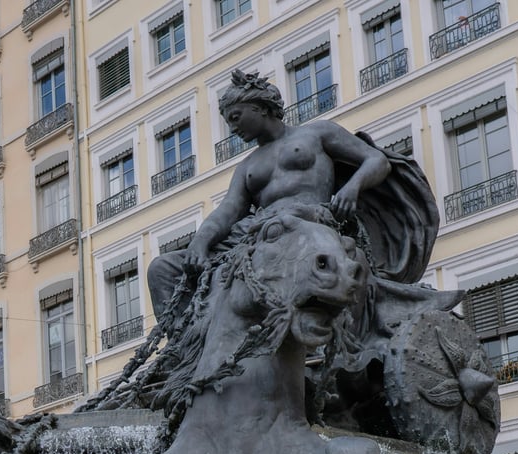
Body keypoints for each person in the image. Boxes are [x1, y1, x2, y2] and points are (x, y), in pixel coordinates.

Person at [146, 70, 393, 319]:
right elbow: (228, 210)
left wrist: (352, 187)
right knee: (162, 268)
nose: (232, 129)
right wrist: (200, 242)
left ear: (260, 108)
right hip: (258, 232)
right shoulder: (247, 166)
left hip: (306, 223)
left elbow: (376, 160)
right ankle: (186, 349)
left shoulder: (317, 133)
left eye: (235, 117)